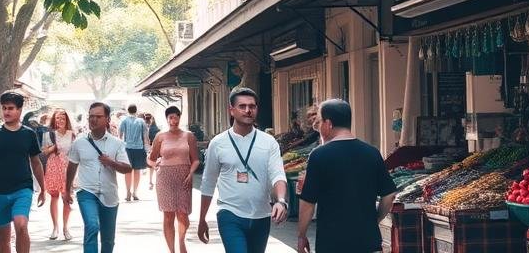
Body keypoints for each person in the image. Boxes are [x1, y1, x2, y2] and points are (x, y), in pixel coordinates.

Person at [296, 100, 397, 253]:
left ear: (328, 124)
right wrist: (375, 219)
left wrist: (301, 235)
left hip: (332, 243)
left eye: (320, 121)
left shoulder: (319, 155)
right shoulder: (372, 153)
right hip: (368, 242)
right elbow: (389, 195)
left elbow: (308, 203)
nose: (319, 126)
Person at [196, 88, 288, 253]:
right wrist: (202, 219)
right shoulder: (218, 143)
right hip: (230, 214)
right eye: (242, 106)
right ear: (231, 110)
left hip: (261, 215)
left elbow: (278, 174)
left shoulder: (268, 142)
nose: (248, 110)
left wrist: (281, 201)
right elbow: (208, 182)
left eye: (252, 106)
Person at [0, 90, 46, 253]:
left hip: (22, 188)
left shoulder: (28, 134)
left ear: (20, 110)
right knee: (3, 238)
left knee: (21, 224)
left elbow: (36, 163)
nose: (6, 111)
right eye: (4, 108)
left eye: (11, 108)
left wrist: (43, 188)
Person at [66, 102, 132, 253]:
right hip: (86, 191)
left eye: (98, 116)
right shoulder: (79, 142)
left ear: (107, 119)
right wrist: (67, 189)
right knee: (92, 226)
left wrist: (111, 162)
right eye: (91, 116)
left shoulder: (117, 143)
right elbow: (72, 166)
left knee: (108, 240)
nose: (93, 120)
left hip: (110, 195)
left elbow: (127, 168)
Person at [149, 106, 199, 253]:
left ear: (179, 118)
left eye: (176, 117)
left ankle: (181, 241)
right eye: (170, 117)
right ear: (167, 119)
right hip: (165, 177)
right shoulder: (160, 136)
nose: (174, 120)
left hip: (184, 177)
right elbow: (151, 158)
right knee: (168, 214)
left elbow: (195, 159)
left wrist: (191, 173)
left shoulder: (188, 135)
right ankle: (172, 250)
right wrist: (155, 165)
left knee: (183, 214)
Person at [42, 108, 77, 240]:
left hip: (67, 167)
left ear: (66, 120)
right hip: (53, 166)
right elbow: (45, 152)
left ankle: (65, 228)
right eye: (58, 118)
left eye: (63, 118)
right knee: (54, 197)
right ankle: (55, 227)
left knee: (66, 197)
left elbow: (75, 152)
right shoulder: (49, 134)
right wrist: (54, 147)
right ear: (54, 119)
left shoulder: (72, 134)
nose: (60, 121)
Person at [118, 104, 148, 201]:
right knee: (137, 171)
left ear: (128, 110)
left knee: (128, 170)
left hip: (127, 148)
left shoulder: (124, 120)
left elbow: (120, 134)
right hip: (139, 148)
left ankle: (127, 192)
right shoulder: (141, 121)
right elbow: (145, 135)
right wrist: (147, 148)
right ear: (136, 111)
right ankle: (135, 192)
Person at [144, 113, 161, 191]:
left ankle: (150, 182)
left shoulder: (146, 128)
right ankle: (153, 181)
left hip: (151, 148)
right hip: (157, 148)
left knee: (151, 166)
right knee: (156, 166)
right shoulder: (156, 129)